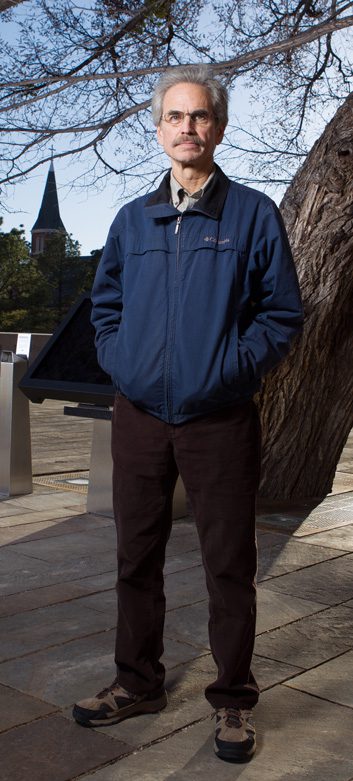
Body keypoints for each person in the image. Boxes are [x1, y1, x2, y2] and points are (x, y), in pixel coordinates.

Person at [72, 64, 303, 763]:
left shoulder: (252, 214)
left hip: (219, 418)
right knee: (133, 557)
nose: (187, 127)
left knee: (227, 565)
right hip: (139, 414)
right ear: (159, 126)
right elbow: (103, 309)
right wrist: (125, 365)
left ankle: (232, 700)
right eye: (175, 116)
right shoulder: (131, 219)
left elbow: (281, 313)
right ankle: (136, 681)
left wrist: (227, 372)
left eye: (199, 116)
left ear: (219, 127)